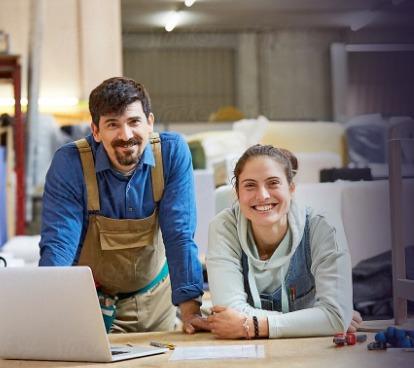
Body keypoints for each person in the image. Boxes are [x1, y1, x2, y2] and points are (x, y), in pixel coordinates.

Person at [39, 77, 208, 334]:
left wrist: (191, 313)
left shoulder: (171, 154)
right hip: (92, 306)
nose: (126, 135)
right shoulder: (71, 163)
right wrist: (48, 313)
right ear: (95, 131)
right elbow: (60, 246)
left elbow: (179, 235)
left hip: (156, 302)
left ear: (149, 123)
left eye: (134, 122)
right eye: (112, 124)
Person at [205, 145, 362, 339]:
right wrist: (315, 321)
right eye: (250, 185)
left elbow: (335, 317)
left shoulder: (323, 225)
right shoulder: (223, 227)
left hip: (308, 354)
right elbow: (229, 314)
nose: (262, 195)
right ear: (237, 193)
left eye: (273, 183)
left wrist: (253, 325)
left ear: (291, 188)